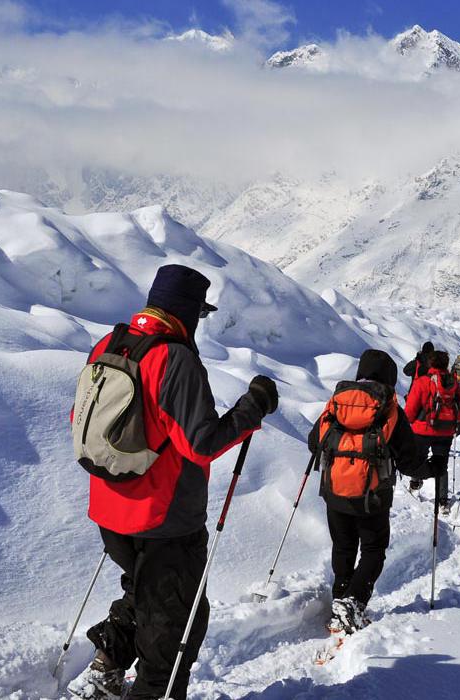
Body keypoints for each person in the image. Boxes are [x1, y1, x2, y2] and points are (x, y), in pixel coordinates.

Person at [71, 264, 280, 700]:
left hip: (110, 512)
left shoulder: (108, 345)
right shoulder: (175, 358)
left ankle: (106, 664)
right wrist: (253, 407)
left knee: (145, 593)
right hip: (166, 519)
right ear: (186, 312)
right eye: (199, 316)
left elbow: (81, 419)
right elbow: (201, 444)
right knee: (176, 628)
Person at [309, 349, 422, 633]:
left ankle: (340, 598)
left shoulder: (338, 402)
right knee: (373, 549)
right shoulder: (388, 407)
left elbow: (315, 441)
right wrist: (431, 468)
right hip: (372, 497)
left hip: (335, 492)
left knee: (344, 547)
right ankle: (354, 603)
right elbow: (410, 459)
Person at [404, 350, 460, 515]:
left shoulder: (422, 382)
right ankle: (442, 501)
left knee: (418, 460)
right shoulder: (453, 384)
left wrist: (407, 424)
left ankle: (416, 482)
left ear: (430, 364)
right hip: (445, 432)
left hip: (422, 430)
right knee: (441, 465)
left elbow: (410, 410)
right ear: (446, 364)